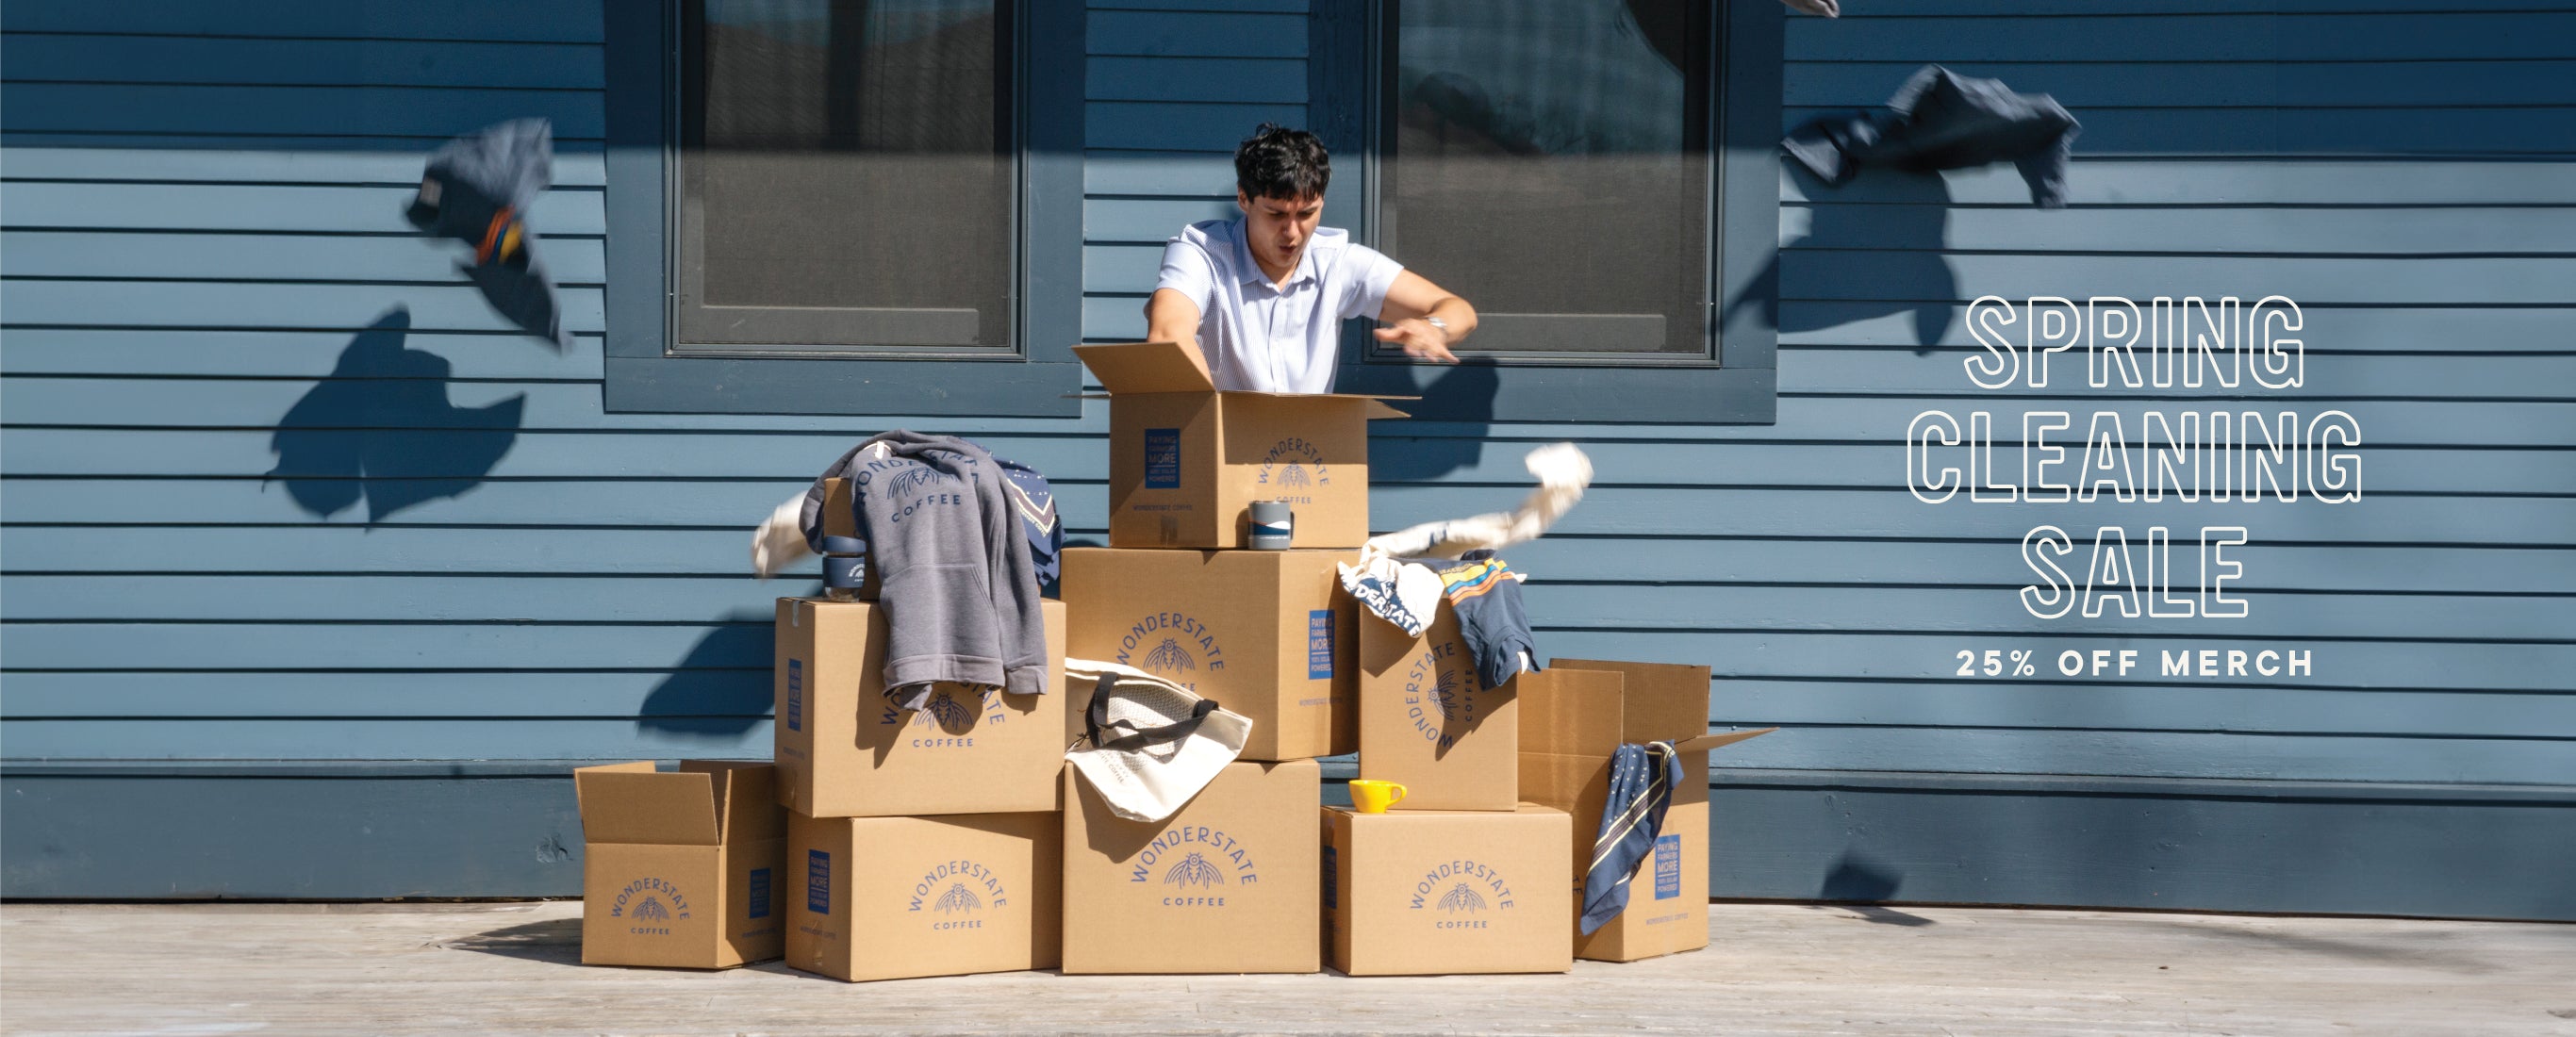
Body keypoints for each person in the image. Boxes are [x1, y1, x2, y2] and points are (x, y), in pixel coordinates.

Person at [1144, 123, 1478, 394]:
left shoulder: (1337, 262)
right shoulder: (1200, 252)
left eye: (1307, 213)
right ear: (1244, 200)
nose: (1292, 232)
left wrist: (1435, 328)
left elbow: (1459, 310)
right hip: (1215, 448)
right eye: (1275, 214)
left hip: (1304, 457)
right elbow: (1168, 337)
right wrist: (1215, 423)